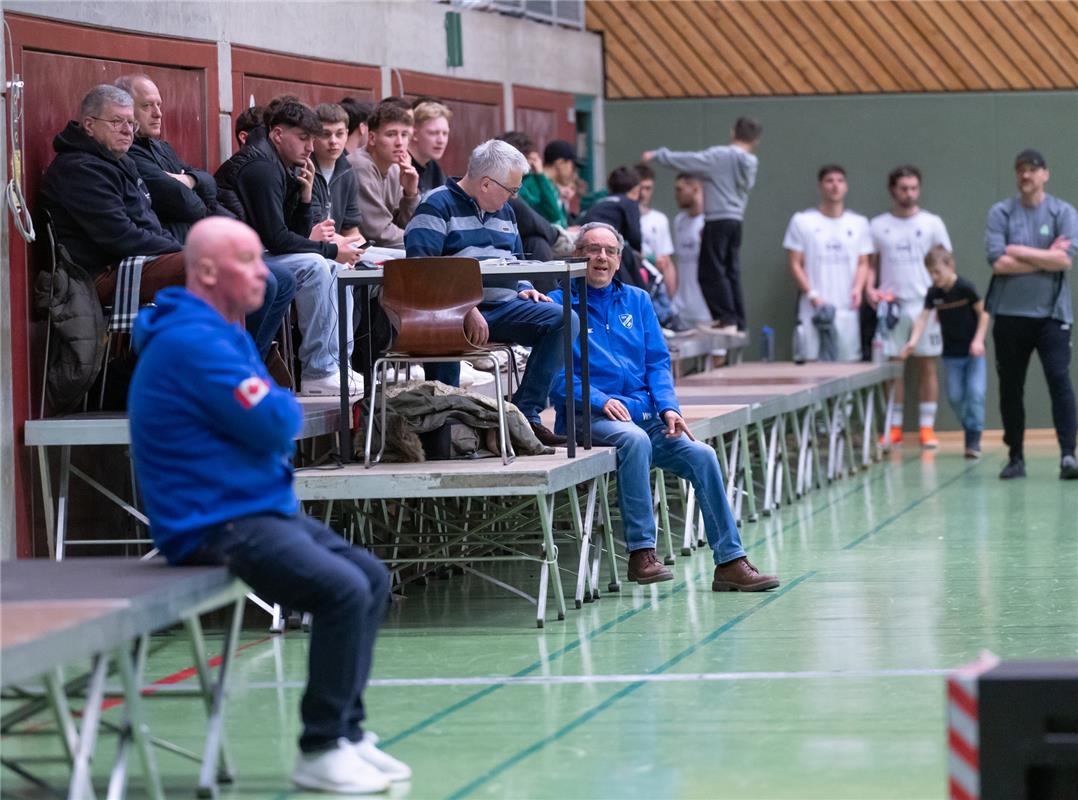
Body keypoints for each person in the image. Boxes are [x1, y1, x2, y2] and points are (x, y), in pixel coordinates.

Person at [128, 217, 408, 795]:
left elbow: (272, 420)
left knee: (372, 580)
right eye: (249, 262)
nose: (264, 273)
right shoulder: (194, 341)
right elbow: (277, 421)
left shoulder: (223, 333)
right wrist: (275, 412)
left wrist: (273, 414)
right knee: (342, 591)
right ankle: (320, 747)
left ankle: (348, 734)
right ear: (206, 271)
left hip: (256, 506)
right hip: (211, 520)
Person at [548, 222, 779, 590]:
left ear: (620, 259)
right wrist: (600, 399)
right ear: (577, 256)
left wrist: (670, 408)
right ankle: (641, 553)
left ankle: (730, 562)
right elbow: (554, 378)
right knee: (633, 441)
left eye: (609, 251)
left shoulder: (638, 301)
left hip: (645, 417)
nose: (601, 258)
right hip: (586, 421)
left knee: (702, 455)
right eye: (592, 249)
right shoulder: (558, 304)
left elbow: (658, 363)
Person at [403, 138, 576, 446]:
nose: (513, 198)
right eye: (511, 190)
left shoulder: (505, 213)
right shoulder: (435, 205)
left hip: (503, 306)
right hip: (448, 313)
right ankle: (442, 437)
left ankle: (524, 415)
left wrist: (525, 288)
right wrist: (466, 309)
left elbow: (516, 262)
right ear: (485, 184)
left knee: (565, 319)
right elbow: (421, 271)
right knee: (445, 337)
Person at [215, 99, 363, 397]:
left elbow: (290, 236)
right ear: (278, 134)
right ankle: (319, 371)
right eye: (304, 138)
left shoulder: (279, 164)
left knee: (335, 268)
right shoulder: (261, 167)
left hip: (259, 253)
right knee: (318, 266)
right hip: (233, 259)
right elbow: (277, 239)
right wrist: (330, 249)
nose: (311, 148)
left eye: (312, 138)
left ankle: (336, 366)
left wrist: (305, 198)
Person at [40, 84, 185, 305]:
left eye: (131, 123)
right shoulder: (79, 169)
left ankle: (234, 339)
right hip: (100, 275)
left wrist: (178, 249)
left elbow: (150, 224)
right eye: (117, 122)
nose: (127, 130)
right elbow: (121, 237)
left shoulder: (120, 162)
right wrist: (180, 251)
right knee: (216, 268)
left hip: (134, 262)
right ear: (89, 125)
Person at [984, 149, 1078, 480]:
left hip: (1052, 316)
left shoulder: (1062, 212)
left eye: (1033, 170)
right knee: (1011, 386)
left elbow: (1065, 260)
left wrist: (1019, 250)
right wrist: (1044, 256)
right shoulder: (1001, 213)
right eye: (1021, 170)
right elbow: (998, 262)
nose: (1027, 175)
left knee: (1058, 379)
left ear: (1045, 175)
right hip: (1010, 315)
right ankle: (1016, 457)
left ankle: (1068, 454)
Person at [643, 116, 762, 331]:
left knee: (709, 272)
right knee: (730, 271)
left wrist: (658, 155)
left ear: (733, 132)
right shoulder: (750, 163)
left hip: (717, 219)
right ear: (756, 141)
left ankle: (725, 318)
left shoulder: (720, 157)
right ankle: (737, 320)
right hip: (736, 220)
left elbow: (689, 160)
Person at [869, 166, 953, 448]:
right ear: (893, 190)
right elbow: (871, 266)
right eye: (904, 188)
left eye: (914, 188)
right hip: (892, 308)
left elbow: (946, 265)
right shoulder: (878, 225)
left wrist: (943, 302)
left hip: (925, 305)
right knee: (894, 369)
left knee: (928, 365)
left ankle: (926, 428)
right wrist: (871, 290)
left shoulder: (932, 223)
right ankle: (893, 428)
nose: (909, 193)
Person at [119, 75, 234, 244]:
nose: (158, 114)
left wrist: (187, 179)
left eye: (159, 105)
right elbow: (188, 204)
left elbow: (210, 183)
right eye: (146, 106)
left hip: (199, 240)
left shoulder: (162, 147)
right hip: (175, 248)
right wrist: (194, 188)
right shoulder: (127, 153)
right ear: (126, 110)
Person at [900, 246, 989, 459]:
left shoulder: (965, 287)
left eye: (937, 271)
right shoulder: (934, 293)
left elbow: (984, 314)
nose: (933, 277)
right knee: (956, 397)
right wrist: (912, 342)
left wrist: (978, 340)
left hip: (973, 354)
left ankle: (973, 439)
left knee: (975, 394)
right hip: (951, 355)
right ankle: (970, 426)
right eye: (929, 272)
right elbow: (922, 318)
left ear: (950, 267)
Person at [783, 164, 873, 363]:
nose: (835, 186)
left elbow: (863, 262)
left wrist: (858, 289)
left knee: (848, 367)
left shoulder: (859, 223)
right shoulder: (802, 221)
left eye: (840, 181)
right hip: (813, 310)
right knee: (812, 367)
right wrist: (813, 296)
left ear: (846, 187)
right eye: (829, 181)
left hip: (847, 309)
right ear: (820, 186)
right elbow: (795, 263)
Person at [350, 100, 419, 248]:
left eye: (404, 134)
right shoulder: (360, 165)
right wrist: (424, 240)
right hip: (355, 253)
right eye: (391, 134)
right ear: (372, 138)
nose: (400, 142)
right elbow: (379, 233)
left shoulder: (395, 168)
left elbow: (406, 225)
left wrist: (410, 194)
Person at [309, 103, 362, 238]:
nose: (333, 141)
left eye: (339, 134)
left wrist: (361, 247)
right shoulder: (306, 169)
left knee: (393, 258)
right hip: (316, 249)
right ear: (313, 136)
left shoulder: (348, 171)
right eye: (326, 134)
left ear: (347, 134)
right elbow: (315, 231)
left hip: (340, 244)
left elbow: (351, 230)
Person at [671, 173, 710, 325]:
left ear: (695, 189)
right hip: (681, 308)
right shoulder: (679, 221)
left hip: (707, 309)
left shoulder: (710, 222)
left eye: (679, 190)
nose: (676, 195)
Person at [636, 162, 677, 293]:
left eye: (648, 188)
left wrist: (671, 299)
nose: (643, 193)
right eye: (640, 188)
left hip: (654, 287)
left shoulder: (659, 219)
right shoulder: (620, 217)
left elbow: (666, 262)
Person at [409, 99, 451, 198]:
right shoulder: (399, 167)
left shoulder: (434, 168)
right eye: (433, 133)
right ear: (414, 134)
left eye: (445, 133)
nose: (441, 140)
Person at [543, 138, 586, 223]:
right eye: (573, 166)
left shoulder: (552, 188)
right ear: (560, 163)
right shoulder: (537, 185)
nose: (574, 172)